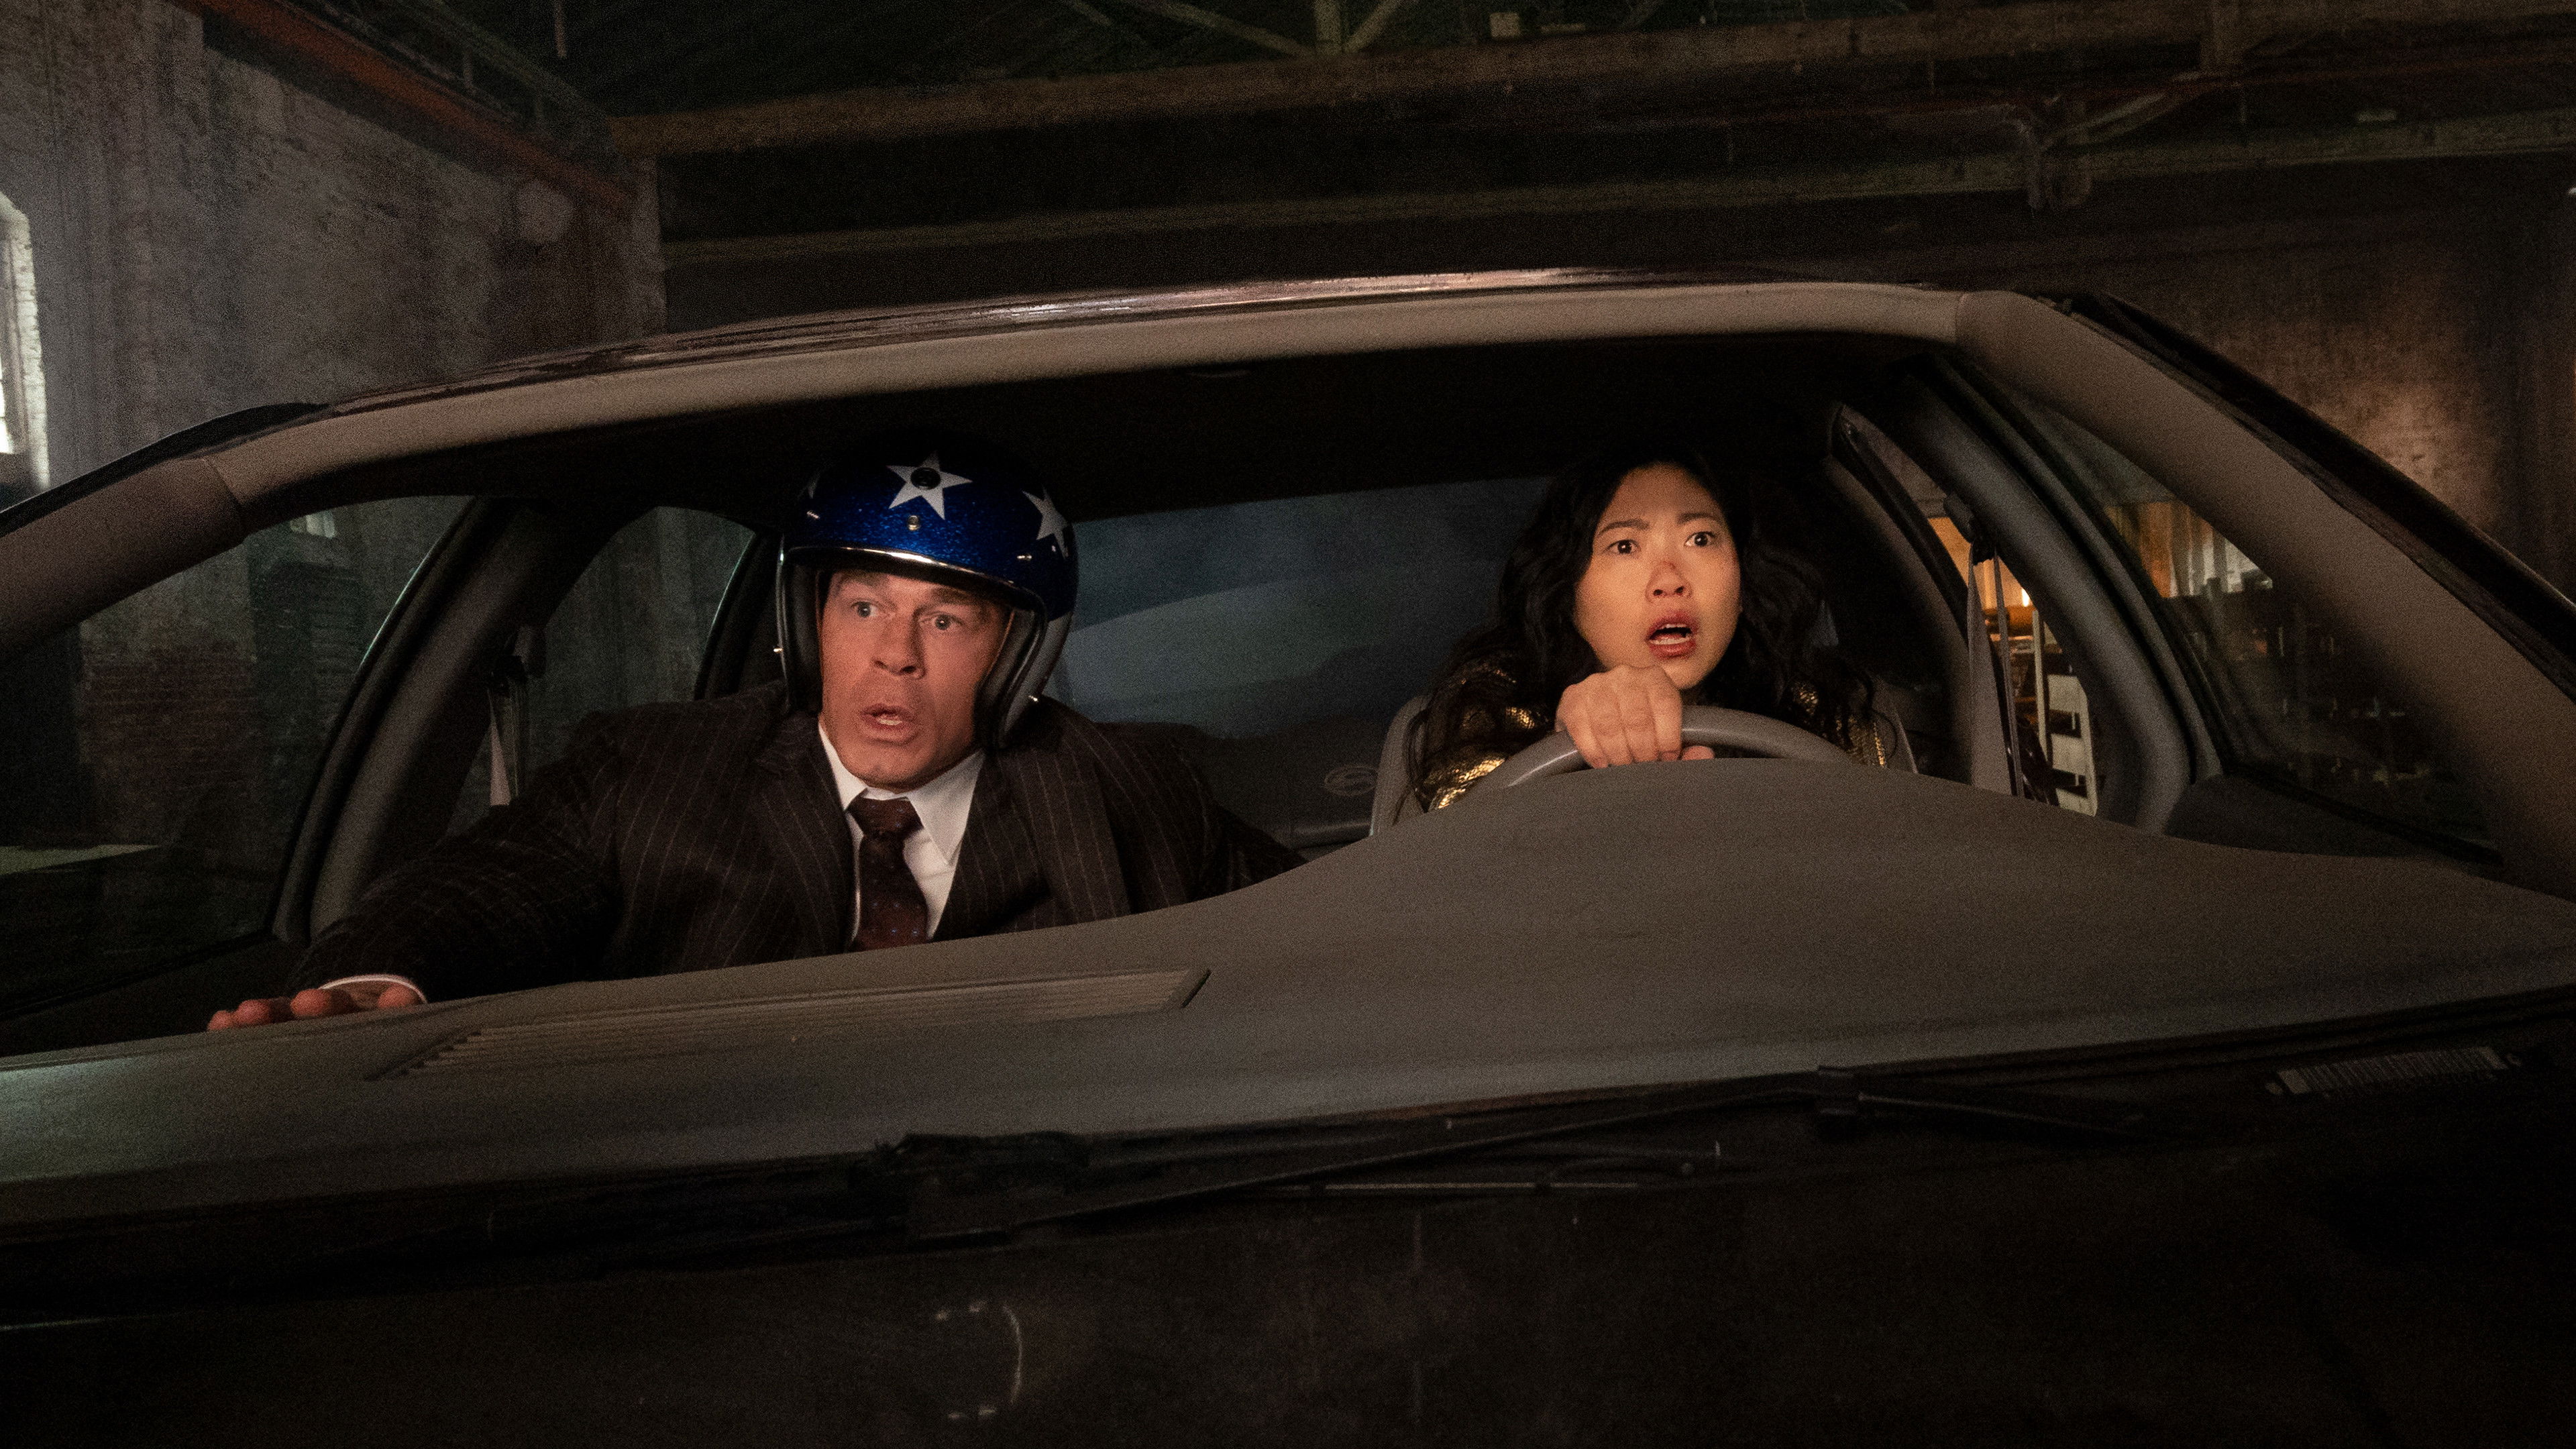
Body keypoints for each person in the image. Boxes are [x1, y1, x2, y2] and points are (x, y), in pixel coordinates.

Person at [209, 429, 1301, 1030]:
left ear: (1018, 657)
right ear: (808, 624)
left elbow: (1311, 930)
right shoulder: (649, 770)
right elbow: (490, 883)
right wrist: (376, 984)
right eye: (862, 607)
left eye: (947, 620)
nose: (895, 654)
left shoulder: (1127, 786)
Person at [1409, 438, 1898, 812]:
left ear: (1743, 582)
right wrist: (1568, 749)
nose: (1670, 581)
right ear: (1567, 592)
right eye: (1625, 547)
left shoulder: (1822, 713)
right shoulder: (1489, 715)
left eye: (1701, 539)